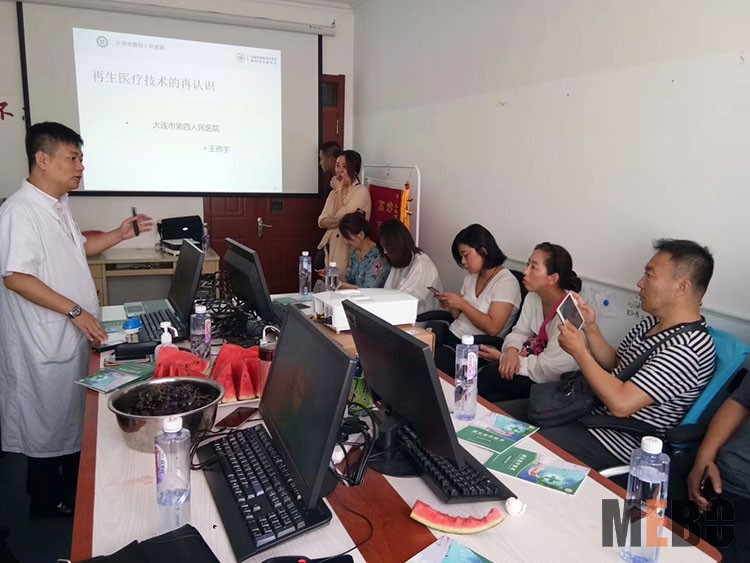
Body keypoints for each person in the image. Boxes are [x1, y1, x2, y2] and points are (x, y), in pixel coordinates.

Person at [0, 121, 153, 517]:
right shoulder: (20, 211)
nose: (80, 167)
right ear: (42, 159)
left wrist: (120, 234)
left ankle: (69, 488)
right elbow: (16, 277)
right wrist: (75, 310)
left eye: (81, 158)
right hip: (43, 341)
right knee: (48, 424)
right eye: (72, 158)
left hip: (67, 337)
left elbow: (78, 247)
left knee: (67, 420)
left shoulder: (57, 205)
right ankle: (47, 505)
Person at [498, 239, 716, 471]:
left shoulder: (688, 347)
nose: (640, 283)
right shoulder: (652, 323)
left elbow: (621, 404)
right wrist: (591, 328)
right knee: (498, 420)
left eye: (649, 275)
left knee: (515, 449)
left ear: (681, 287)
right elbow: (617, 364)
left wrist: (580, 352)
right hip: (585, 411)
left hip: (614, 440)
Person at [478, 242, 582, 402]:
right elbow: (520, 331)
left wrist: (503, 358)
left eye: (533, 267)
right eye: (527, 265)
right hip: (532, 364)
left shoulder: (570, 312)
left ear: (553, 278)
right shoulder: (533, 296)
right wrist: (511, 351)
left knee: (490, 377)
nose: (525, 272)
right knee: (489, 381)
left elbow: (551, 369)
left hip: (554, 383)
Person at [433, 224, 521, 375]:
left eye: (466, 255)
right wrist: (451, 304)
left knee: (427, 362)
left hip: (475, 349)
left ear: (484, 251)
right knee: (417, 350)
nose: (463, 261)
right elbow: (458, 316)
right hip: (453, 336)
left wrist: (462, 303)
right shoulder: (472, 275)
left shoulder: (506, 283)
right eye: (461, 257)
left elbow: (493, 328)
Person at [686, 374, 750, 563]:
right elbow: (740, 403)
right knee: (629, 524)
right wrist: (704, 458)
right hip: (716, 476)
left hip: (744, 506)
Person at [316, 149, 371, 273]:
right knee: (331, 280)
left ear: (354, 170)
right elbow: (321, 221)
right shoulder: (333, 194)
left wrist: (338, 190)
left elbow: (344, 219)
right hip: (332, 247)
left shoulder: (361, 192)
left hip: (349, 248)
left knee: (343, 280)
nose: (339, 170)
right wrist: (337, 221)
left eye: (345, 167)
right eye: (337, 165)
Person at [378, 218, 443, 315]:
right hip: (401, 314)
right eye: (383, 247)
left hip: (422, 318)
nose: (385, 252)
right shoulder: (399, 261)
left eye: (387, 247)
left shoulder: (421, 264)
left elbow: (406, 301)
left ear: (398, 244)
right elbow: (388, 291)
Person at [336, 211, 390, 289]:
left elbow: (368, 290)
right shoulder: (355, 253)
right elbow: (349, 280)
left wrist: (341, 285)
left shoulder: (378, 258)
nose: (347, 243)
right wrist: (333, 275)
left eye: (349, 239)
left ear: (361, 235)